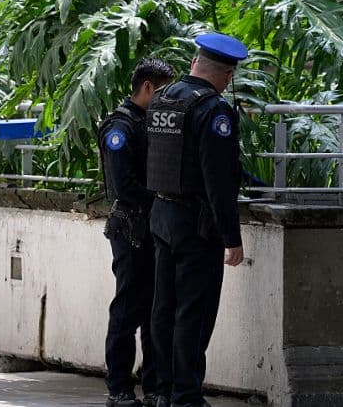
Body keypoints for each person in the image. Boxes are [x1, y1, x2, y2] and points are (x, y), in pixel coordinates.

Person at [147, 32, 248, 407]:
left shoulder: (162, 99)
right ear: (226, 75)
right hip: (196, 226)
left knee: (163, 309)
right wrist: (231, 237)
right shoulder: (213, 110)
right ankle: (187, 396)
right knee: (194, 311)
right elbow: (217, 180)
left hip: (162, 216)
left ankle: (161, 390)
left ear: (194, 64)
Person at [100, 58, 176, 407]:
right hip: (131, 227)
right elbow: (124, 186)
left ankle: (155, 385)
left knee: (154, 310)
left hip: (153, 226)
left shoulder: (150, 122)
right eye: (162, 92)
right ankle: (119, 387)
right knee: (128, 309)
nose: (167, 100)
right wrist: (164, 197)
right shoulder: (121, 127)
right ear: (147, 87)